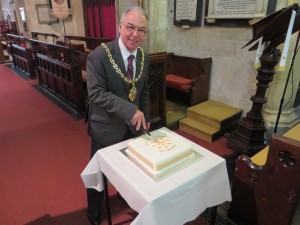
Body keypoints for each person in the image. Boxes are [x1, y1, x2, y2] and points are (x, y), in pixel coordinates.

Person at [85, 6, 150, 225]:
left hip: (132, 127)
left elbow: (144, 90)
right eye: (130, 27)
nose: (135, 34)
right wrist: (131, 110)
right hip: (105, 125)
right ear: (120, 27)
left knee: (129, 168)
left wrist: (146, 117)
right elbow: (96, 94)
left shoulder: (143, 56)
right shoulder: (99, 56)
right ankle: (94, 209)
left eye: (142, 30)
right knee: (99, 174)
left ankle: (125, 194)